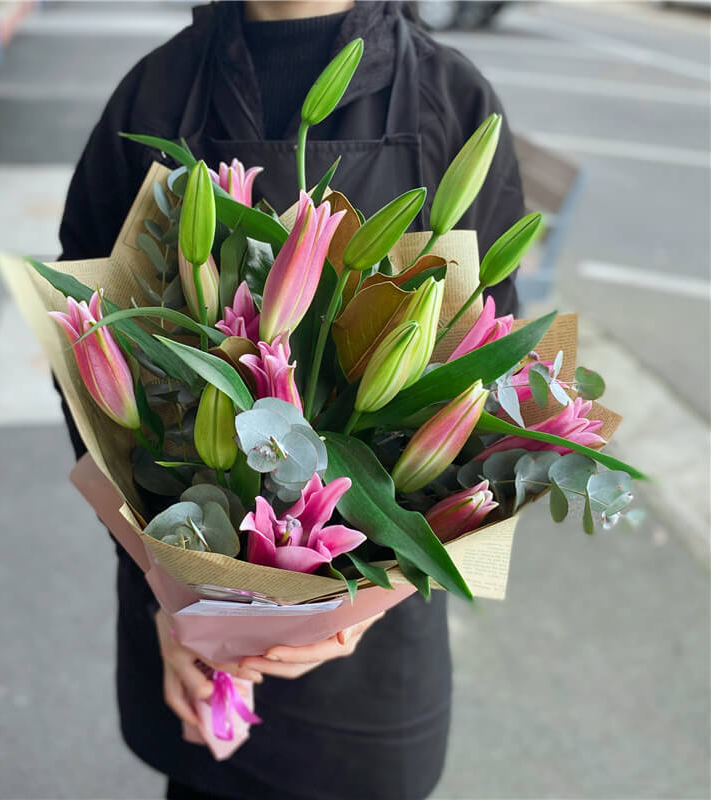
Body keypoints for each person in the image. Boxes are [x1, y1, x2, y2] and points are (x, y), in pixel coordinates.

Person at [56, 2, 525, 799]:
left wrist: (359, 607)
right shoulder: (154, 92)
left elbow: (499, 398)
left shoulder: (450, 97)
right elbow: (86, 371)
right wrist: (172, 607)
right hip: (190, 647)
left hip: (371, 669)